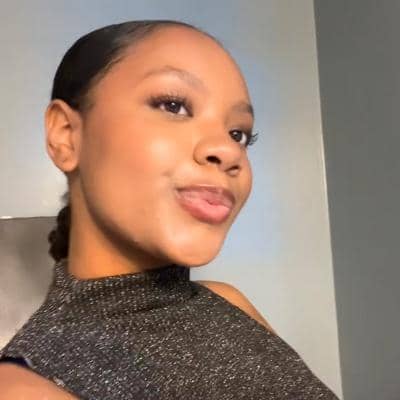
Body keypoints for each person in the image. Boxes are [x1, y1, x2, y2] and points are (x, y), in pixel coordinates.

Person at [0, 20, 339, 399]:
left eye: (238, 134)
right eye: (173, 105)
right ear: (65, 135)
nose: (228, 151)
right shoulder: (25, 388)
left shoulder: (228, 301)